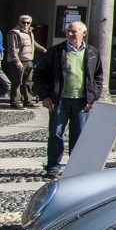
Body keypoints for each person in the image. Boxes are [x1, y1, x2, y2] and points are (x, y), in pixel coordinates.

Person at [34, 21, 104, 177]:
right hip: (59, 100)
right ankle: (53, 166)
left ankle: (76, 166)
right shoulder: (55, 52)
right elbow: (39, 75)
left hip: (82, 101)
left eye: (74, 31)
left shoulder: (92, 52)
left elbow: (98, 76)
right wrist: (45, 96)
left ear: (83, 33)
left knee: (79, 135)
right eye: (68, 31)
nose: (70, 34)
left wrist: (93, 96)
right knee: (56, 133)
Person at [4, 14, 37, 109]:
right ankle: (15, 102)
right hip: (18, 61)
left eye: (28, 22)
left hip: (29, 59)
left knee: (28, 81)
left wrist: (43, 49)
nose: (25, 24)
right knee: (17, 82)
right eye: (23, 22)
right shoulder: (14, 33)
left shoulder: (29, 32)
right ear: (19, 22)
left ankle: (28, 101)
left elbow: (32, 43)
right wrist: (16, 61)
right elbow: (12, 48)